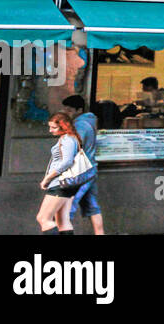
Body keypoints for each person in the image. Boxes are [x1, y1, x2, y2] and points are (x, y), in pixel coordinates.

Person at [61, 95, 105, 235]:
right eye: (65, 110)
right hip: (90, 169)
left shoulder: (79, 126)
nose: (66, 113)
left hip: (80, 173)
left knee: (66, 209)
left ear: (79, 110)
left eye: (69, 111)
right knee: (92, 207)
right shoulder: (90, 121)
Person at [37, 113, 85, 235]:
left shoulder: (67, 139)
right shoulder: (71, 138)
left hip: (59, 184)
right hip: (68, 184)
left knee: (43, 218)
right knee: (63, 221)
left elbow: (66, 162)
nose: (50, 130)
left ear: (63, 126)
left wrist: (47, 178)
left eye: (54, 127)